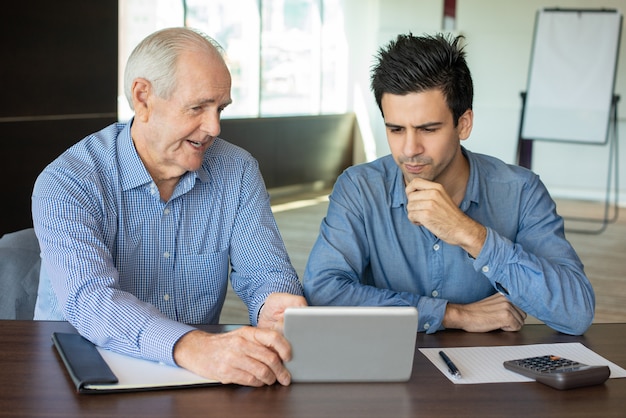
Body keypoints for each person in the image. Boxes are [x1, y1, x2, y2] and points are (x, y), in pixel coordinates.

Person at [32, 27, 307, 387]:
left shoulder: (237, 170)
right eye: (197, 107)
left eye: (220, 108)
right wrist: (190, 347)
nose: (214, 127)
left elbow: (264, 272)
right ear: (143, 97)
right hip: (81, 369)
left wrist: (275, 304)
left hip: (197, 373)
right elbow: (91, 301)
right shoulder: (68, 181)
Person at [303, 33, 595, 336]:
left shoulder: (520, 191)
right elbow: (323, 292)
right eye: (396, 129)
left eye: (428, 129)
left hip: (488, 370)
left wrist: (470, 234)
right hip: (386, 364)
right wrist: (452, 315)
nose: (409, 149)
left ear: (464, 124)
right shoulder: (360, 188)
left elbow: (575, 313)